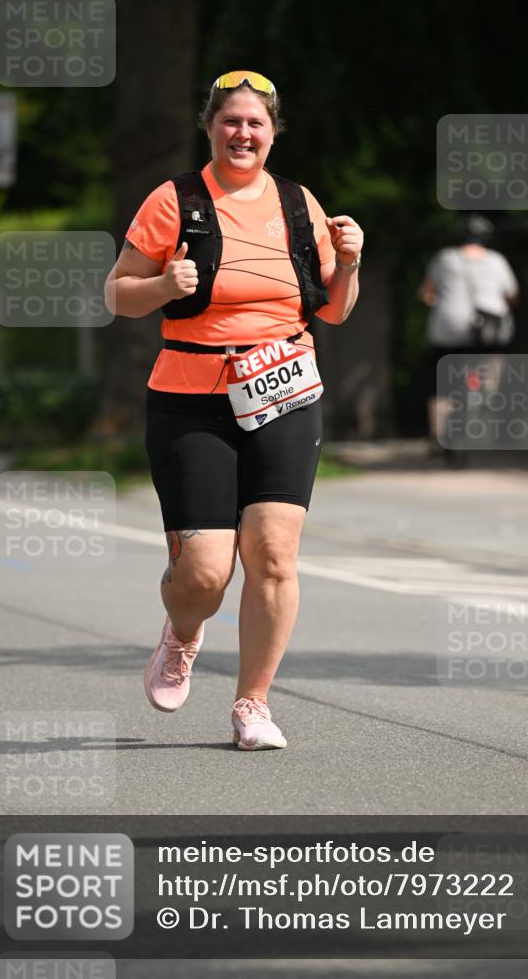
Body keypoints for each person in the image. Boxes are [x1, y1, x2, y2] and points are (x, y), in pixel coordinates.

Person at [104, 71, 363, 750]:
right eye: (230, 122)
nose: (242, 133)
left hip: (283, 392)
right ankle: (183, 632)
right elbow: (117, 295)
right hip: (192, 399)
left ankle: (253, 705)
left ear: (273, 132)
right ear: (209, 127)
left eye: (255, 123)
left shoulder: (298, 203)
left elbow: (331, 308)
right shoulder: (174, 201)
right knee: (204, 573)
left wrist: (352, 263)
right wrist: (162, 283)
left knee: (273, 555)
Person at [418, 214, 519, 450]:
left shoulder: (445, 258)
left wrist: (435, 300)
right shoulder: (497, 261)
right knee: (492, 366)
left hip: (449, 327)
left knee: (440, 383)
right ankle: (487, 401)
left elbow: (426, 292)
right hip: (489, 330)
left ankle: (438, 436)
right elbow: (512, 295)